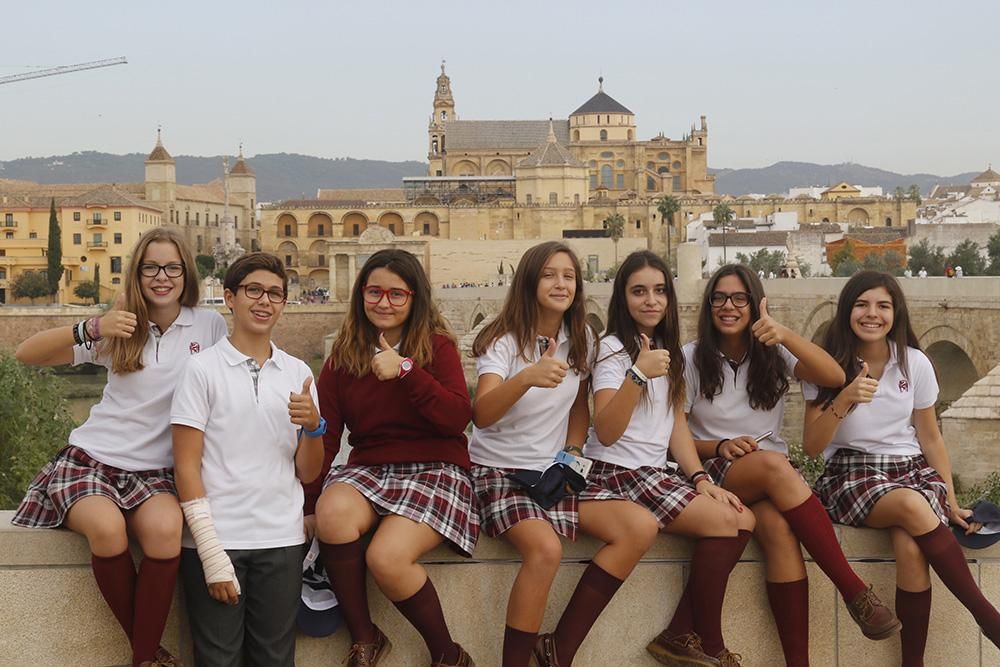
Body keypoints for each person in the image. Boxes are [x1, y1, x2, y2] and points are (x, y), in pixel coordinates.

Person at [12, 228, 227, 667]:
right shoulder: (118, 323)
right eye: (151, 267)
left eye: (172, 267)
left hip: (157, 473)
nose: (161, 277)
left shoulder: (210, 325)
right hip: (93, 462)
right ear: (137, 273)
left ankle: (142, 656)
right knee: (108, 531)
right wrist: (91, 326)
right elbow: (25, 353)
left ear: (187, 272)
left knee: (166, 532)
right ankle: (147, 656)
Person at [684, 264, 899, 666]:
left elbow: (834, 375)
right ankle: (853, 590)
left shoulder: (773, 353)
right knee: (776, 466)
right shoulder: (692, 358)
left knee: (781, 533)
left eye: (739, 298)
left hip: (766, 477)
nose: (728, 306)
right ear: (708, 305)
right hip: (712, 468)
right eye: (719, 298)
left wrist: (783, 334)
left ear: (755, 304)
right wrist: (720, 445)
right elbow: (671, 436)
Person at [803, 270, 1000, 666]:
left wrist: (951, 498)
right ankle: (989, 618)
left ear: (896, 313)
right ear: (846, 311)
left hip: (910, 470)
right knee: (913, 508)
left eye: (882, 306)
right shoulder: (825, 365)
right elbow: (811, 446)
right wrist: (844, 398)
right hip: (851, 473)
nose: (871, 314)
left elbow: (930, 437)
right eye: (862, 304)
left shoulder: (915, 363)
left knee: (910, 545)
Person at [470, 240, 639, 667]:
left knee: (637, 527)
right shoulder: (502, 339)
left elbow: (579, 405)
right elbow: (483, 414)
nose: (560, 283)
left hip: (550, 472)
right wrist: (526, 377)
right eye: (549, 274)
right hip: (499, 472)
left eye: (568, 275)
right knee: (545, 550)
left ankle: (558, 649)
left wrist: (574, 452)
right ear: (529, 280)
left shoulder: (580, 336)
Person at [308, 249, 477, 667]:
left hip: (437, 468)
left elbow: (458, 417)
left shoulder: (437, 347)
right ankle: (365, 637)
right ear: (361, 295)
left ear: (414, 298)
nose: (384, 302)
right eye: (375, 292)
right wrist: (309, 502)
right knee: (331, 514)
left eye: (396, 295)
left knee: (386, 557)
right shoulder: (344, 357)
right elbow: (327, 437)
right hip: (371, 468)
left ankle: (448, 655)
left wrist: (406, 370)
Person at [587, 251, 755, 667]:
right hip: (618, 474)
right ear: (622, 298)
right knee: (728, 521)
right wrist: (638, 374)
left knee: (743, 518)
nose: (651, 301)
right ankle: (710, 644)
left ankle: (682, 633)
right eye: (639, 291)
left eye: (660, 291)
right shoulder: (611, 350)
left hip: (654, 474)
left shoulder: (670, 351)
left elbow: (675, 425)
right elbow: (606, 430)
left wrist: (700, 478)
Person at [172, 252, 324, 667]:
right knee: (218, 660)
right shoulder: (200, 369)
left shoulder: (298, 373)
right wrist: (210, 551)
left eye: (275, 293)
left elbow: (308, 471)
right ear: (229, 298)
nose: (265, 301)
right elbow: (186, 464)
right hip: (220, 539)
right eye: (253, 290)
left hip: (282, 538)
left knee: (276, 660)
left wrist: (314, 427)